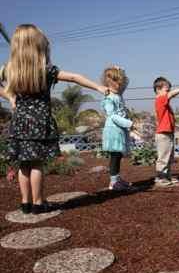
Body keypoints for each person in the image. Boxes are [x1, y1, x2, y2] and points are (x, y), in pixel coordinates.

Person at [2, 24, 109, 214]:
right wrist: (98, 87)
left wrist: (10, 97)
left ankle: (25, 203)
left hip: (19, 123)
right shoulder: (45, 70)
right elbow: (75, 77)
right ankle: (38, 203)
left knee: (23, 165)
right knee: (36, 164)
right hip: (39, 123)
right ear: (37, 46)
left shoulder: (10, 69)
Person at [154, 76, 179, 187]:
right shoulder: (160, 99)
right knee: (163, 158)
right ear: (158, 89)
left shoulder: (164, 101)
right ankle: (160, 178)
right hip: (163, 134)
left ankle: (167, 176)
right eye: (167, 90)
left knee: (169, 157)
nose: (168, 93)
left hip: (168, 133)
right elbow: (171, 95)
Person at [101, 66, 134, 191]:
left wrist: (122, 71)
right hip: (113, 131)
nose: (121, 84)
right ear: (109, 82)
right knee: (115, 156)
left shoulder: (118, 93)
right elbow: (113, 116)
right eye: (118, 82)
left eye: (121, 82)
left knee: (118, 156)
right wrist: (129, 123)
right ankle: (113, 183)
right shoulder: (109, 97)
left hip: (119, 130)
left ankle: (117, 179)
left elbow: (127, 82)